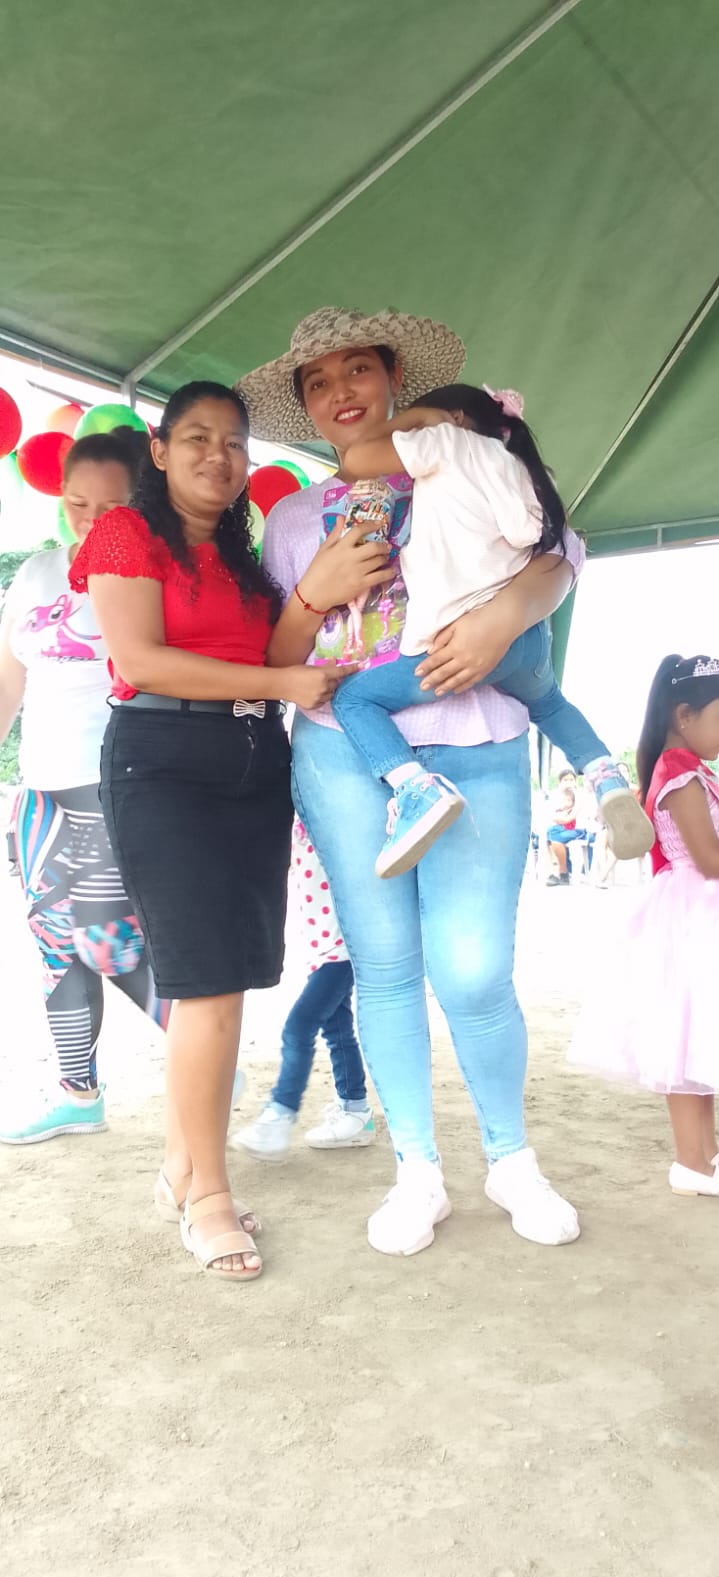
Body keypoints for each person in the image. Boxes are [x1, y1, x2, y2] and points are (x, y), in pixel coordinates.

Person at [239, 304, 583, 1255]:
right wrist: (315, 592)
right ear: (306, 407)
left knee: (474, 970)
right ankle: (416, 1171)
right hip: (343, 750)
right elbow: (273, 660)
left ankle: (511, 1160)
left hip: (476, 735)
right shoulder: (294, 517)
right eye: (318, 382)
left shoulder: (462, 455)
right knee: (383, 965)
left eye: (357, 370)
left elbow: (559, 552)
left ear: (393, 378)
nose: (340, 392)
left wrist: (502, 618)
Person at [69, 380, 344, 1281]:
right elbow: (140, 660)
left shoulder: (240, 558)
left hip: (254, 766)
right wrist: (279, 685)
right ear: (158, 450)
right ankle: (209, 1200)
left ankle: (181, 1168)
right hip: (164, 764)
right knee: (208, 984)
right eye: (196, 437)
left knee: (226, 982)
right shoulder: (126, 532)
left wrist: (316, 600)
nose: (217, 456)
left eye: (232, 442)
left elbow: (272, 652)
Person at [325, 383, 653, 876]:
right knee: (550, 703)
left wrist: (413, 421)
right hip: (527, 640)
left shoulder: (446, 442)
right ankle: (604, 775)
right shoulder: (525, 468)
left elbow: (356, 459)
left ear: (455, 418)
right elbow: (542, 538)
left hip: (451, 642)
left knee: (353, 700)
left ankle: (415, 788)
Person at [0, 430, 168, 1146]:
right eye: (77, 503)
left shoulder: (150, 570)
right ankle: (78, 1092)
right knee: (53, 941)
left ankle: (206, 1049)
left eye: (111, 506)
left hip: (110, 780)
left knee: (106, 940)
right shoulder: (38, 571)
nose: (91, 520)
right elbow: (10, 678)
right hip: (39, 785)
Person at [570, 655, 719, 1196]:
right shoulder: (678, 769)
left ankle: (703, 1157)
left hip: (693, 910)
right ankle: (693, 1162)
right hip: (695, 912)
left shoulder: (688, 767)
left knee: (697, 1039)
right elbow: (709, 858)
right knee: (685, 1039)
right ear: (685, 715)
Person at [232, 817, 374, 1160]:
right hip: (323, 951)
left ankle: (280, 1114)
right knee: (337, 1030)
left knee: (298, 1028)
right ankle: (355, 1110)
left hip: (342, 951)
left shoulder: (334, 822)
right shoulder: (297, 823)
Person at [546, 768, 586, 885]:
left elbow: (568, 818)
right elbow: (550, 814)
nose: (569, 783)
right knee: (548, 836)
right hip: (562, 828)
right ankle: (558, 873)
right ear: (560, 782)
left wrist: (556, 818)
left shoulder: (579, 795)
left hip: (578, 830)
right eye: (565, 780)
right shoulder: (556, 796)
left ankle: (561, 873)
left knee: (553, 836)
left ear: (575, 781)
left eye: (571, 780)